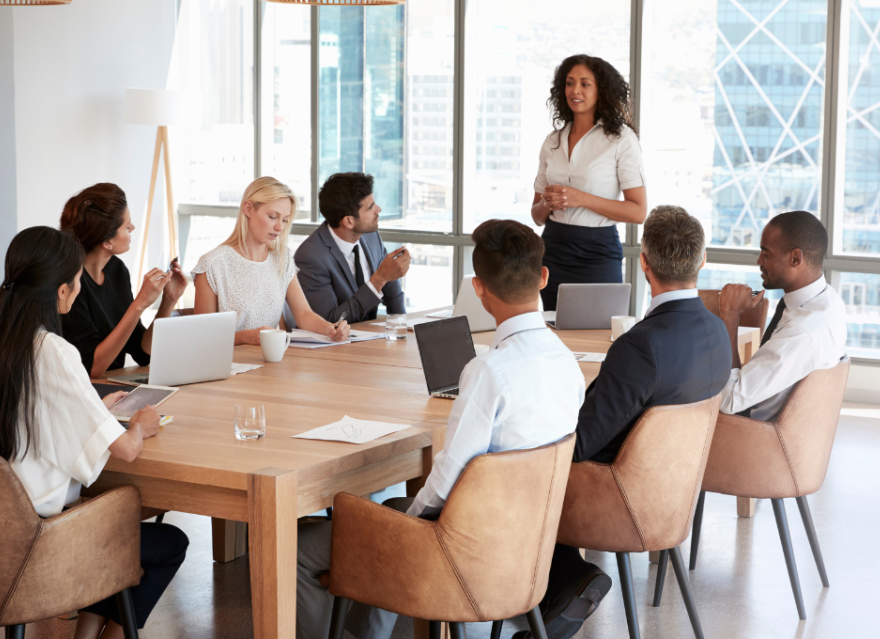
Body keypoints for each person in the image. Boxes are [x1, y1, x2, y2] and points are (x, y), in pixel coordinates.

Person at [294, 220, 585, 639]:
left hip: (462, 556)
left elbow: (448, 480)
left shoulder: (489, 371)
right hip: (527, 547)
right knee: (392, 513)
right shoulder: (566, 363)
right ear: (543, 277)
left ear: (479, 289)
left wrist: (405, 529)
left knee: (301, 548)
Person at [0, 226, 188, 639]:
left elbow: (33, 414)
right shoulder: (54, 350)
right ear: (62, 292)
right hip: (41, 541)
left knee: (112, 529)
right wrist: (139, 425)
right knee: (169, 542)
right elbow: (126, 450)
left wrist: (92, 410)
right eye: (78, 282)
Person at [519, 205, 732, 639]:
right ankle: (561, 585)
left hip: (616, 495)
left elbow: (580, 445)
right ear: (702, 261)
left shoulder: (641, 345)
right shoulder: (716, 331)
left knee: (516, 468)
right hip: (670, 494)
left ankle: (560, 581)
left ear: (644, 264)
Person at [531, 54, 649, 310]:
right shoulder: (552, 141)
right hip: (553, 250)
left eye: (585, 84)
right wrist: (549, 202)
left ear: (601, 90)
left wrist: (580, 198)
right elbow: (537, 216)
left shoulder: (621, 139)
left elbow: (638, 211)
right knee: (556, 331)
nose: (575, 90)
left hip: (598, 253)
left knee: (599, 334)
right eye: (570, 83)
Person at [714, 211, 847, 421]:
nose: (759, 261)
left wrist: (730, 316)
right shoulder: (829, 300)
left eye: (766, 254)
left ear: (795, 258)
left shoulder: (800, 333)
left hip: (748, 433)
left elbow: (728, 401)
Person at [192, 177, 350, 346]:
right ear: (248, 209)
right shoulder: (212, 265)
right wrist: (244, 337)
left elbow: (303, 314)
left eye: (284, 220)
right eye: (273, 216)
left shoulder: (283, 259)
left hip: (270, 362)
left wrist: (331, 330)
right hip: (228, 366)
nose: (279, 227)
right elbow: (202, 337)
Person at [60, 183, 189, 379]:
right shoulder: (71, 285)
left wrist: (169, 299)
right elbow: (92, 368)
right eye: (126, 225)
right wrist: (138, 305)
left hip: (113, 388)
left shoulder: (116, 270)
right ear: (106, 241)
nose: (133, 227)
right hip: (87, 392)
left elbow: (142, 352)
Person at [295, 172, 409, 323]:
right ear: (349, 221)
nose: (379, 209)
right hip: (336, 344)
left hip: (372, 341)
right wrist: (378, 279)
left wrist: (403, 327)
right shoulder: (310, 257)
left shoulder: (370, 236)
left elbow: (391, 287)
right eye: (370, 207)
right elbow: (331, 321)